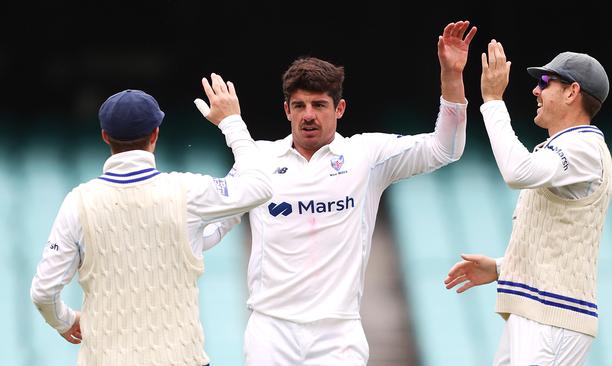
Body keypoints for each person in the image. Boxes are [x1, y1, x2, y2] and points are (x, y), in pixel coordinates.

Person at [194, 20, 476, 365]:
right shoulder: (259, 160)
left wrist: (452, 76)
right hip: (270, 329)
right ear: (287, 111)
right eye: (299, 106)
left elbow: (445, 148)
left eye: (319, 105)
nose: (308, 116)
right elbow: (213, 230)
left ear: (339, 109)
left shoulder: (366, 156)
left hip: (338, 332)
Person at [30, 75, 273, 366]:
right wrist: (232, 122)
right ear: (155, 134)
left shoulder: (78, 202)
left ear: (105, 136)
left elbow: (44, 292)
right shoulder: (187, 192)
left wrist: (65, 321)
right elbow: (259, 186)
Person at [444, 40, 612, 365]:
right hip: (542, 310)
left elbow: (516, 172)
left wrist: (493, 101)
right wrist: (502, 268)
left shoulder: (584, 147)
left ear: (571, 92)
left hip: (551, 314)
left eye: (546, 82)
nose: (536, 90)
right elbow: (557, 240)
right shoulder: (571, 148)